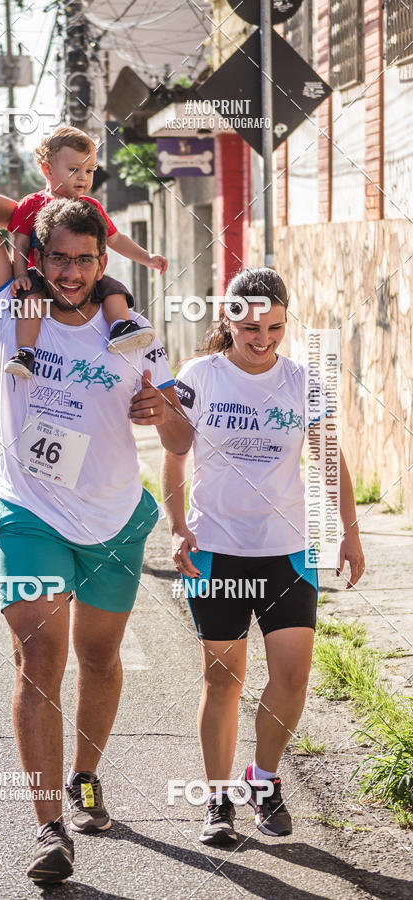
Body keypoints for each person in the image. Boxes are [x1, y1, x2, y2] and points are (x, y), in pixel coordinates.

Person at [0, 187, 191, 883]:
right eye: (57, 257)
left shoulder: (132, 331)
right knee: (39, 660)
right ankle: (48, 829)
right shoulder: (12, 306)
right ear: (38, 256)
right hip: (29, 512)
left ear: (101, 263)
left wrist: (162, 409)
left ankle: (85, 777)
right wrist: (42, 203)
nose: (69, 273)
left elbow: (184, 434)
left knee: (99, 660)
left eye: (85, 260)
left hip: (114, 519)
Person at [161, 267, 365, 847]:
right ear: (227, 320)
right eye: (250, 326)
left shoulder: (304, 382)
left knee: (293, 676)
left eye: (275, 326)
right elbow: (175, 460)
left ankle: (264, 779)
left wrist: (349, 533)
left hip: (288, 551)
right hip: (218, 551)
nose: (263, 338)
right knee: (223, 678)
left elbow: (329, 459)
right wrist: (177, 527)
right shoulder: (199, 377)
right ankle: (218, 799)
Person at [4, 125, 168, 377]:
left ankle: (120, 328)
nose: (83, 177)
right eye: (74, 170)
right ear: (47, 170)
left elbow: (116, 239)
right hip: (40, 275)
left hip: (84, 278)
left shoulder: (91, 206)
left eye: (89, 170)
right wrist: (21, 275)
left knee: (115, 291)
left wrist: (146, 257)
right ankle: (25, 352)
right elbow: (20, 243)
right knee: (31, 301)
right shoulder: (31, 204)